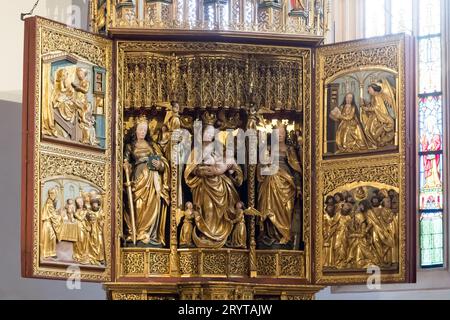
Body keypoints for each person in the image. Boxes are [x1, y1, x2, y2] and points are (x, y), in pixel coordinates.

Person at [184, 114, 243, 249]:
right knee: (208, 210)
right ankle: (207, 236)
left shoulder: (220, 147)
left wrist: (229, 170)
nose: (209, 136)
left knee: (223, 211)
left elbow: (233, 164)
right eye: (207, 132)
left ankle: (222, 237)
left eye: (211, 133)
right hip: (204, 185)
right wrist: (203, 171)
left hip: (220, 184)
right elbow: (189, 169)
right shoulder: (197, 150)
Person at [123, 117, 170, 246]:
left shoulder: (152, 146)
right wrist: (125, 165)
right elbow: (125, 160)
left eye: (145, 129)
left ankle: (149, 233)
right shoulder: (130, 146)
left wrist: (159, 164)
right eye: (140, 129)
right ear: (135, 130)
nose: (142, 132)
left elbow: (164, 162)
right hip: (138, 178)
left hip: (153, 178)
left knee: (152, 204)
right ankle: (137, 232)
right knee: (137, 204)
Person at [257, 124, 302, 249]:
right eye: (278, 134)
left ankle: (284, 236)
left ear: (285, 134)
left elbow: (296, 169)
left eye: (282, 133)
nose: (280, 136)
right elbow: (260, 169)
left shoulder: (290, 150)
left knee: (286, 210)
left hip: (287, 183)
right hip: (270, 183)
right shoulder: (268, 149)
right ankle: (270, 235)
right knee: (268, 207)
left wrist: (298, 187)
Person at [360, 80, 396, 148]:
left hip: (379, 116)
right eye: (369, 90)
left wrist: (368, 109)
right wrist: (365, 104)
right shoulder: (373, 97)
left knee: (370, 130)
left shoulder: (377, 96)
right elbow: (372, 105)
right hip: (374, 115)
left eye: (370, 90)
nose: (368, 91)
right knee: (367, 129)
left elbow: (377, 107)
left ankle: (376, 143)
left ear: (374, 90)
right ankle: (375, 143)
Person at [40, 188, 63, 260]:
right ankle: (49, 253)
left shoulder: (49, 202)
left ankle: (49, 252)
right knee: (51, 238)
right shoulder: (49, 203)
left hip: (48, 223)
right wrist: (60, 217)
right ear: (49, 194)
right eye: (51, 193)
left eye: (54, 194)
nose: (53, 195)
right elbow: (53, 216)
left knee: (50, 238)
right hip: (47, 223)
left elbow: (52, 213)